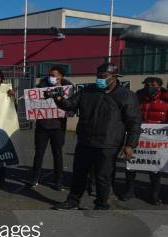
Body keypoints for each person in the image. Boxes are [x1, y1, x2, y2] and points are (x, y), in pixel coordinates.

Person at [52, 63, 142, 210]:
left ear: (114, 77)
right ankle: (73, 201)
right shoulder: (87, 91)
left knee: (102, 176)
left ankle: (101, 204)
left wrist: (130, 144)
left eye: (104, 76)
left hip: (108, 143)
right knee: (79, 173)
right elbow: (70, 105)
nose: (100, 79)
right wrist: (58, 98)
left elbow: (134, 122)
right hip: (85, 140)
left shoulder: (126, 95)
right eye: (98, 76)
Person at [121, 77, 168, 205]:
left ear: (159, 86)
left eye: (153, 84)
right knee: (131, 165)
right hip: (137, 136)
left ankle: (154, 194)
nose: (149, 86)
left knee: (155, 167)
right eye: (147, 84)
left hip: (158, 140)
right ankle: (129, 191)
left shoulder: (166, 100)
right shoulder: (137, 98)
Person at [28, 66, 73, 191]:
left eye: (54, 75)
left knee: (57, 154)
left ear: (61, 77)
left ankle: (58, 181)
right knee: (39, 153)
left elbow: (71, 106)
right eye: (50, 75)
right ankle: (34, 178)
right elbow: (33, 103)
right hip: (42, 126)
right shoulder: (40, 87)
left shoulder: (68, 89)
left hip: (58, 127)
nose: (51, 77)